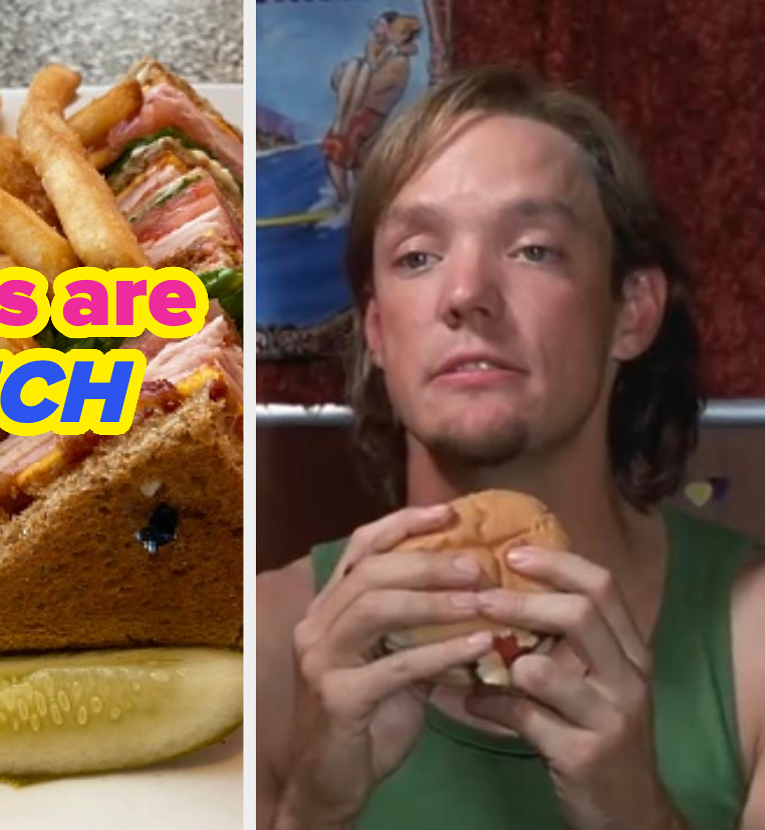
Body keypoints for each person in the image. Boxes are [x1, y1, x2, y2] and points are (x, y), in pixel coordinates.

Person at [258, 66, 765, 829]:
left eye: (533, 249)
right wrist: (313, 811)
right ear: (377, 333)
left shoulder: (753, 642)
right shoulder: (263, 643)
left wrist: (637, 813)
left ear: (631, 311)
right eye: (417, 257)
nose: (466, 293)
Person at [322, 12, 422, 207]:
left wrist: (364, 65)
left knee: (338, 152)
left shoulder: (398, 63)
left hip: (367, 116)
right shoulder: (389, 56)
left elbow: (373, 86)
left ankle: (345, 199)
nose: (384, 33)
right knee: (357, 160)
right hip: (367, 116)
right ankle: (359, 200)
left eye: (389, 30)